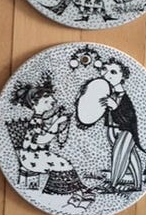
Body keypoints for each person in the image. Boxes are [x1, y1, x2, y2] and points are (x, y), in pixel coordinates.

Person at [11, 76, 95, 204]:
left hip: (38, 155)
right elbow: (41, 139)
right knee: (63, 164)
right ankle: (61, 194)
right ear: (34, 103)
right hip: (31, 157)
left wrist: (57, 120)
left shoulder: (40, 119)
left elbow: (48, 133)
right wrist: (57, 123)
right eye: (46, 100)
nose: (52, 102)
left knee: (64, 163)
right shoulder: (35, 121)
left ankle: (76, 191)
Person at [76, 58, 145, 192]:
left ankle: (112, 185)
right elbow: (95, 111)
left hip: (126, 131)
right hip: (111, 129)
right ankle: (138, 185)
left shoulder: (124, 97)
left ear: (123, 76)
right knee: (130, 155)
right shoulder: (106, 92)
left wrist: (115, 107)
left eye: (113, 72)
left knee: (119, 155)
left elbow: (129, 117)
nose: (107, 75)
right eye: (104, 70)